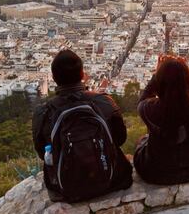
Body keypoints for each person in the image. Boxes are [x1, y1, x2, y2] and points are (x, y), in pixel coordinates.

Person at [32, 49, 132, 202]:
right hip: (111, 179)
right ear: (82, 74)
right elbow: (120, 139)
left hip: (65, 188)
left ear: (54, 78)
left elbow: (43, 153)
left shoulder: (43, 113)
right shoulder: (103, 102)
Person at [134, 55, 189, 185]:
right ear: (187, 82)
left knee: (142, 140)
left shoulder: (151, 109)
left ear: (161, 83)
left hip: (155, 174)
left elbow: (142, 101)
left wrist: (156, 75)